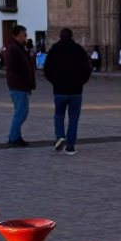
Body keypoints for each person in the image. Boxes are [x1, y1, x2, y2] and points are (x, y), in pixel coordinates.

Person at [44, 27, 93, 156]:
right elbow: (87, 69)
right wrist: (80, 82)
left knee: (59, 115)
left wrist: (55, 82)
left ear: (60, 36)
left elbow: (46, 69)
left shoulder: (54, 49)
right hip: (76, 91)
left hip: (59, 90)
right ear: (72, 36)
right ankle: (70, 146)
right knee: (74, 118)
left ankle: (60, 136)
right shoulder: (79, 50)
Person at [5, 24, 35, 147]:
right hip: (18, 86)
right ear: (16, 35)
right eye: (24, 35)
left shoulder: (19, 48)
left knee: (22, 112)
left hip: (21, 85)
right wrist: (23, 80)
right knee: (21, 113)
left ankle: (16, 136)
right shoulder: (13, 48)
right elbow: (14, 67)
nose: (26, 37)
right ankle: (13, 138)